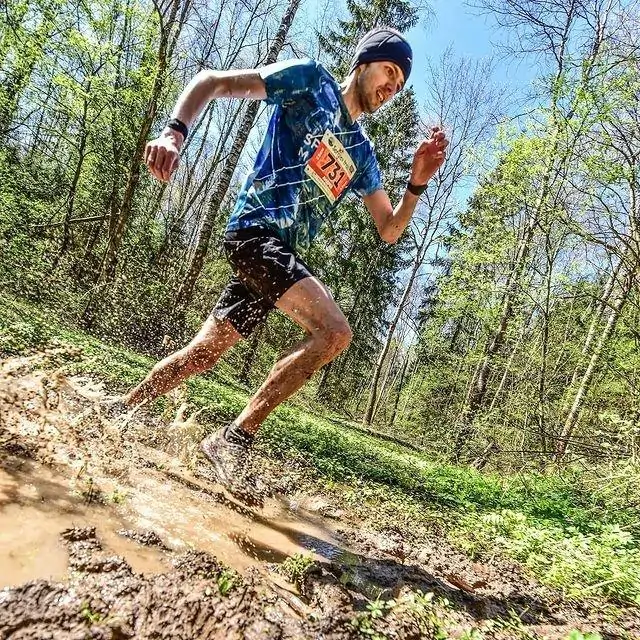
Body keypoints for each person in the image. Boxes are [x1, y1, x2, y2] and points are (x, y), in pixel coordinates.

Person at [122, 27, 448, 492]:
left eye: (399, 83)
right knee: (334, 332)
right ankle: (233, 440)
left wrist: (417, 183)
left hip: (277, 257)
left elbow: (389, 229)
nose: (391, 87)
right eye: (388, 71)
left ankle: (122, 412)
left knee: (202, 354)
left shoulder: (361, 151)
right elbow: (211, 81)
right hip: (254, 232)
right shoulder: (311, 81)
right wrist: (174, 133)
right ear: (363, 63)